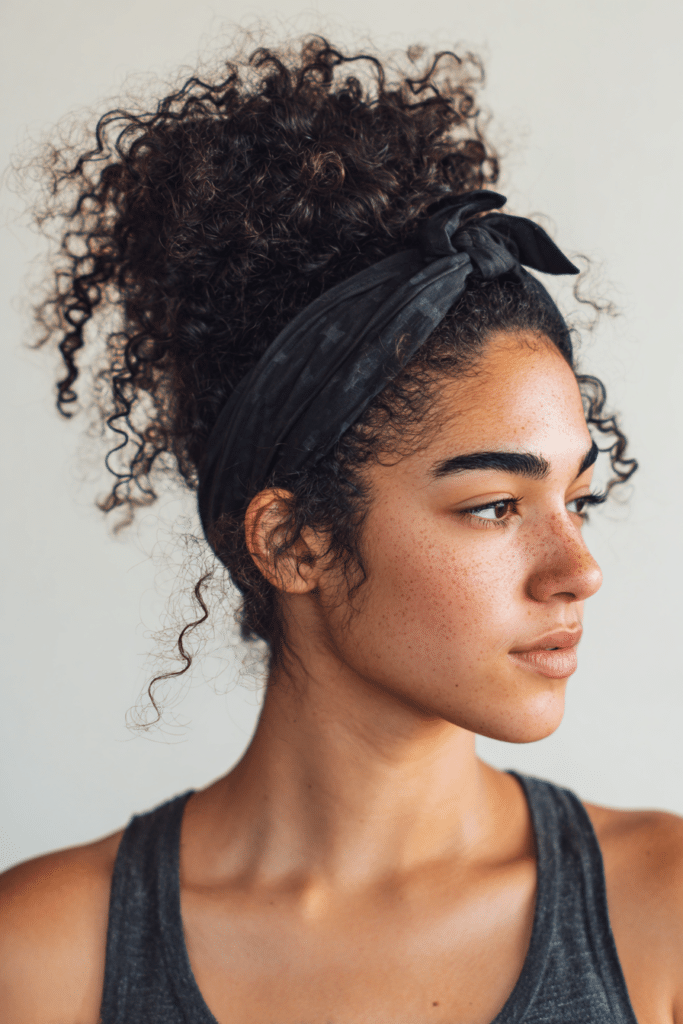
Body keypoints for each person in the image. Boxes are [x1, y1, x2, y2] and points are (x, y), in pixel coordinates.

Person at [1, 36, 682, 1024]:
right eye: (494, 504)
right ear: (292, 543)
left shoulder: (657, 919)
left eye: (575, 498)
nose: (576, 570)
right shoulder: (41, 960)